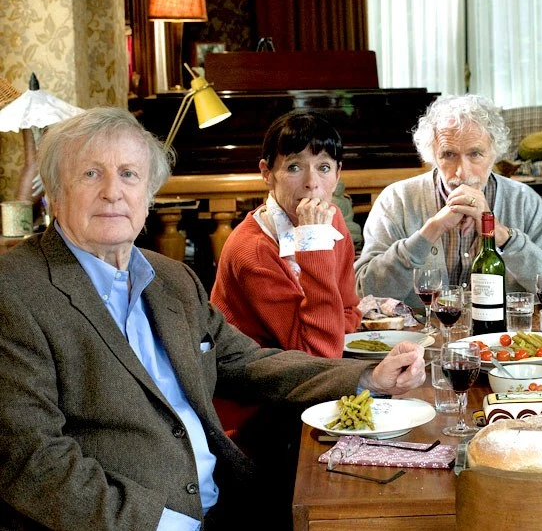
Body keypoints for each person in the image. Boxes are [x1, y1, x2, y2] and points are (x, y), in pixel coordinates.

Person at [0, 107, 426, 530]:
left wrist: (368, 378)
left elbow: (246, 362)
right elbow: (32, 460)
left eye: (129, 174)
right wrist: (168, 526)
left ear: (149, 194)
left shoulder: (171, 278)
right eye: (91, 174)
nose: (113, 192)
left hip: (230, 497)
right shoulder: (14, 293)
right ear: (54, 193)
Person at [355, 94, 542, 307]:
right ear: (432, 155)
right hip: (420, 329)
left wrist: (503, 236)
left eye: (475, 154)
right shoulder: (396, 200)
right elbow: (364, 293)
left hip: (503, 328)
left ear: (494, 153)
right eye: (448, 154)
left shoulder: (524, 201)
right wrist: (430, 232)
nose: (462, 172)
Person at [211, 109, 362, 359]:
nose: (312, 182)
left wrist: (332, 334)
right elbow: (316, 355)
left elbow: (348, 310)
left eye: (324, 167)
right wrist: (313, 241)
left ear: (337, 175)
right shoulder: (252, 249)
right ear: (267, 173)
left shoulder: (331, 218)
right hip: (254, 374)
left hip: (309, 367)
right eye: (294, 167)